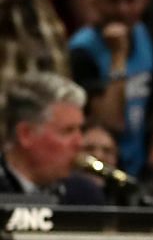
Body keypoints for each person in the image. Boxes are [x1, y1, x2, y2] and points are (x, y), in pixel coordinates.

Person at [66, 0, 153, 171]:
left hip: (143, 163)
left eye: (129, 0)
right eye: (113, 1)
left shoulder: (147, 34)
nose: (122, 9)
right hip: (103, 163)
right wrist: (118, 56)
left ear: (144, 1)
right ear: (95, 2)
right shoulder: (82, 50)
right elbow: (109, 121)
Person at [0, 71, 107, 204]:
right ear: (26, 134)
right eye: (68, 131)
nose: (80, 143)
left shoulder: (84, 195)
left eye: (80, 129)